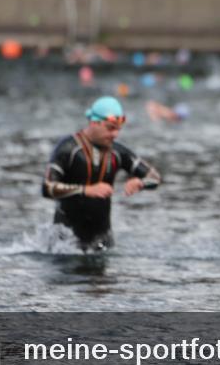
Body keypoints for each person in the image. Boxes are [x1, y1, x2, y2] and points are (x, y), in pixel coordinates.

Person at [42, 96, 161, 251]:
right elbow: (47, 187)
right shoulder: (68, 149)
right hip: (64, 246)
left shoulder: (117, 152)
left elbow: (154, 178)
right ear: (94, 122)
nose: (115, 134)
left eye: (118, 129)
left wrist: (140, 183)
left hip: (102, 243)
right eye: (110, 128)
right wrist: (86, 190)